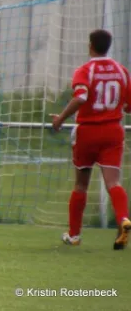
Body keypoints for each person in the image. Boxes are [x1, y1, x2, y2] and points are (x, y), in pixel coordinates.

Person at [51, 29, 131, 250]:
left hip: (88, 132)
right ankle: (123, 218)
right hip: (113, 131)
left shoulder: (86, 70)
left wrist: (60, 118)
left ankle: (74, 235)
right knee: (113, 182)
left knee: (80, 184)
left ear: (90, 46)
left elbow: (81, 97)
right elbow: (129, 106)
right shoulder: (122, 71)